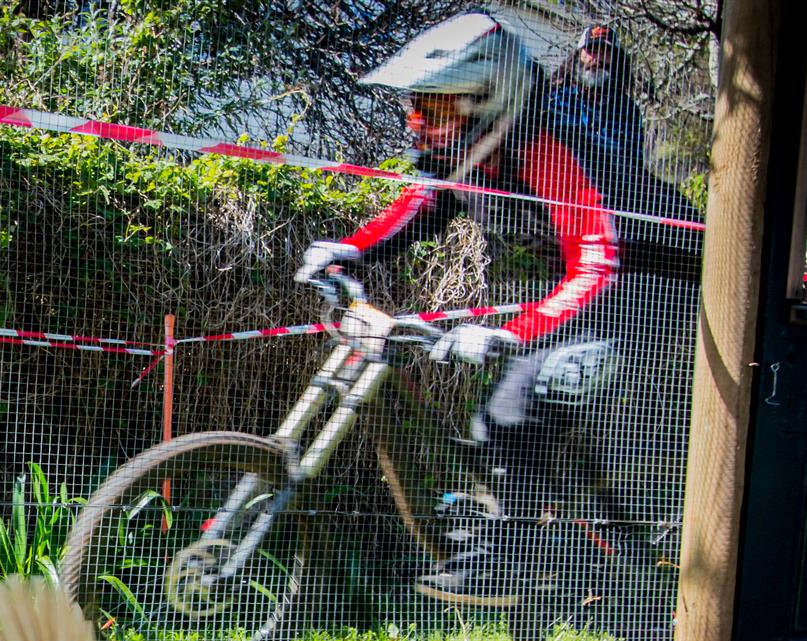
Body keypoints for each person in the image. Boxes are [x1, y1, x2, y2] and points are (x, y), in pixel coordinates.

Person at [295, 12, 696, 606]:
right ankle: (569, 552)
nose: (419, 123)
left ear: (489, 101)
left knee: (514, 405)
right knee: (500, 419)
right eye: (417, 106)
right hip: (608, 287)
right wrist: (350, 248)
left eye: (435, 108)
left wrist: (510, 334)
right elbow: (424, 202)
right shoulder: (475, 156)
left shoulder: (550, 149)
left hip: (662, 287)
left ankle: (514, 559)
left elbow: (600, 265)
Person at [550, 25, 646, 172]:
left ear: (616, 60)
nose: (598, 59)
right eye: (592, 50)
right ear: (578, 56)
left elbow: (633, 166)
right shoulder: (557, 100)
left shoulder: (628, 112)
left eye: (605, 52)